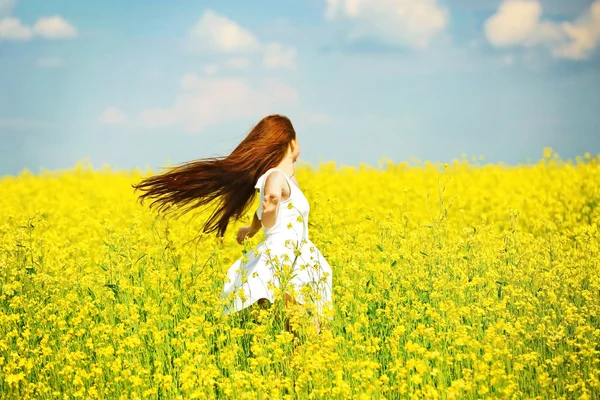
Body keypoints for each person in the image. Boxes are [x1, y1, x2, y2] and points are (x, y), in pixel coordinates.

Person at [132, 114, 333, 334]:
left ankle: (293, 363)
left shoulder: (289, 179)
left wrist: (252, 228)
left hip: (299, 254)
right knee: (302, 329)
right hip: (286, 257)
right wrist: (271, 203)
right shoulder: (275, 176)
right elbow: (272, 198)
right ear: (291, 142)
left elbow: (267, 213)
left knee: (304, 330)